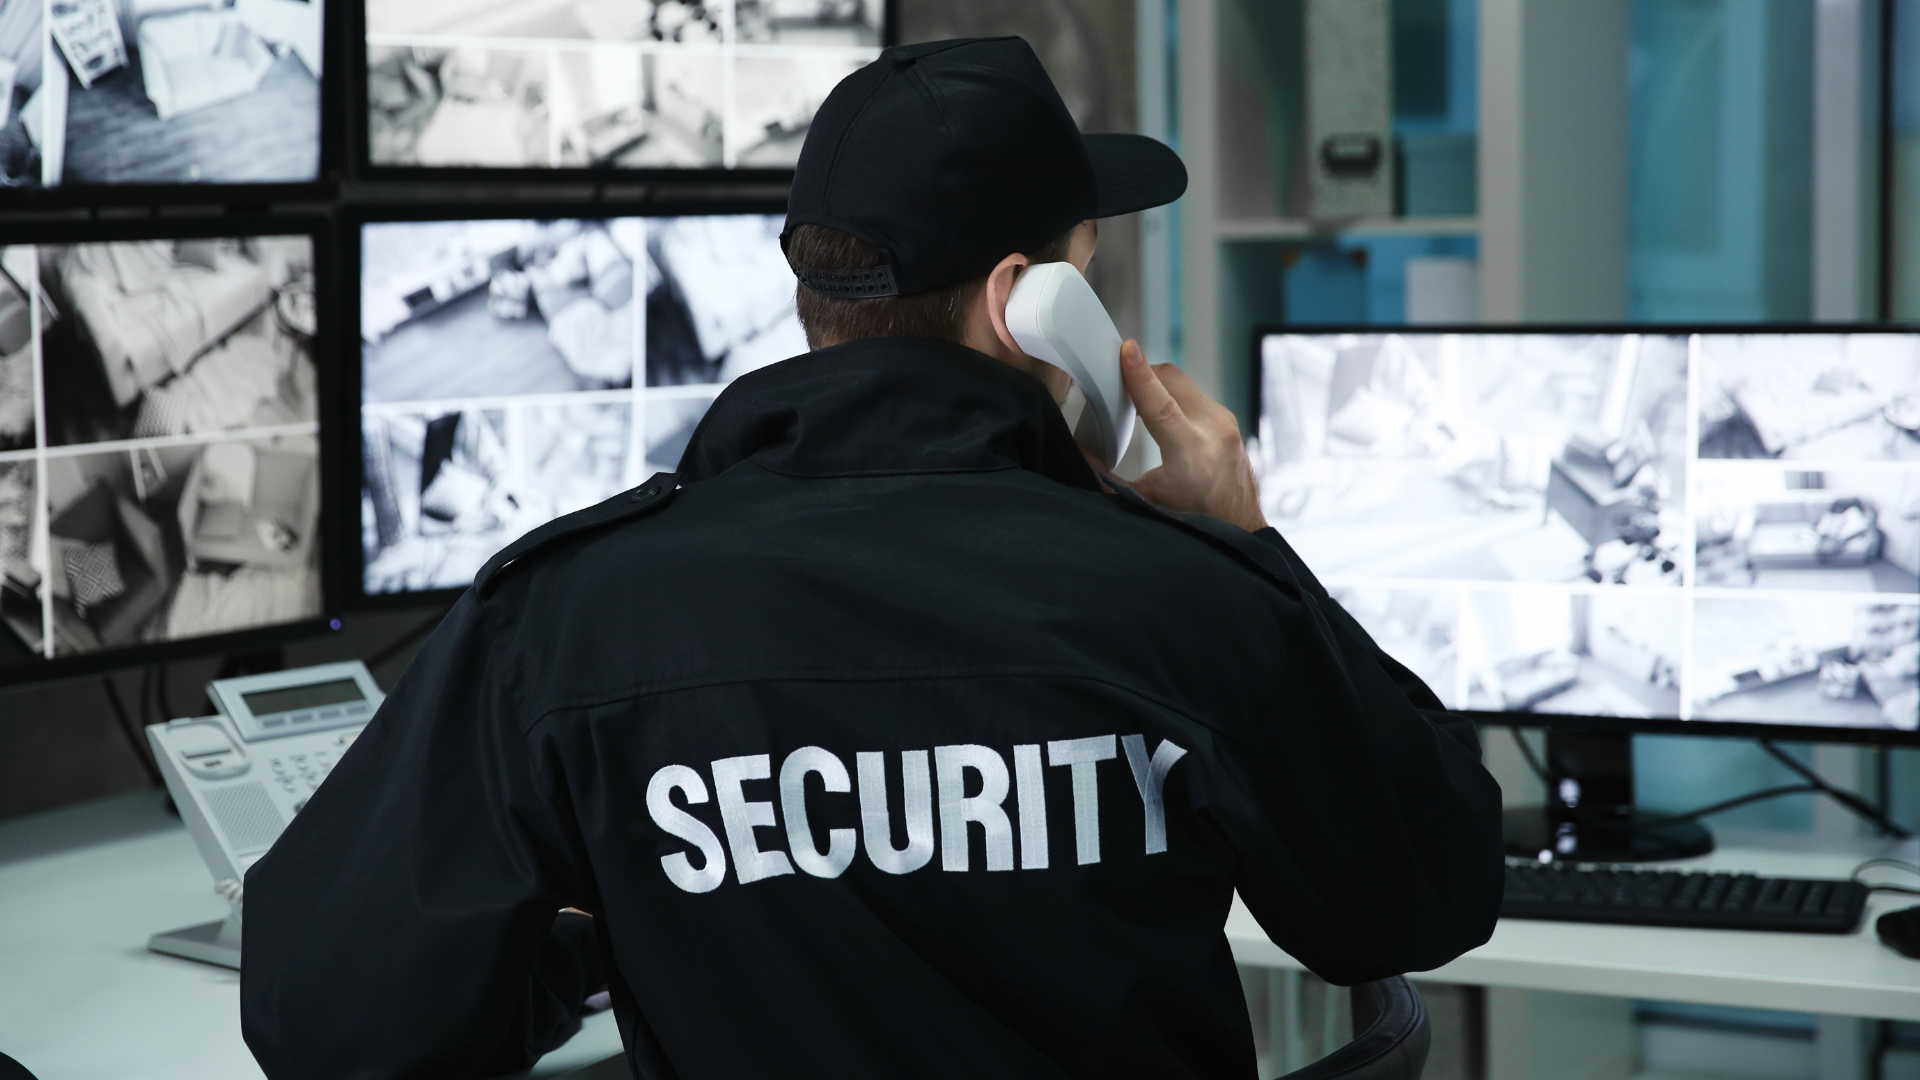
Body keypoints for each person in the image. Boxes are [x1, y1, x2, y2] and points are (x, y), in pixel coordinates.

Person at [241, 37, 1503, 1079]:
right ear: (1031, 305)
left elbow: (330, 1027)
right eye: (1087, 268)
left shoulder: (566, 617)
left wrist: (606, 928)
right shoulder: (1176, 594)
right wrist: (1250, 547)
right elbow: (1428, 894)